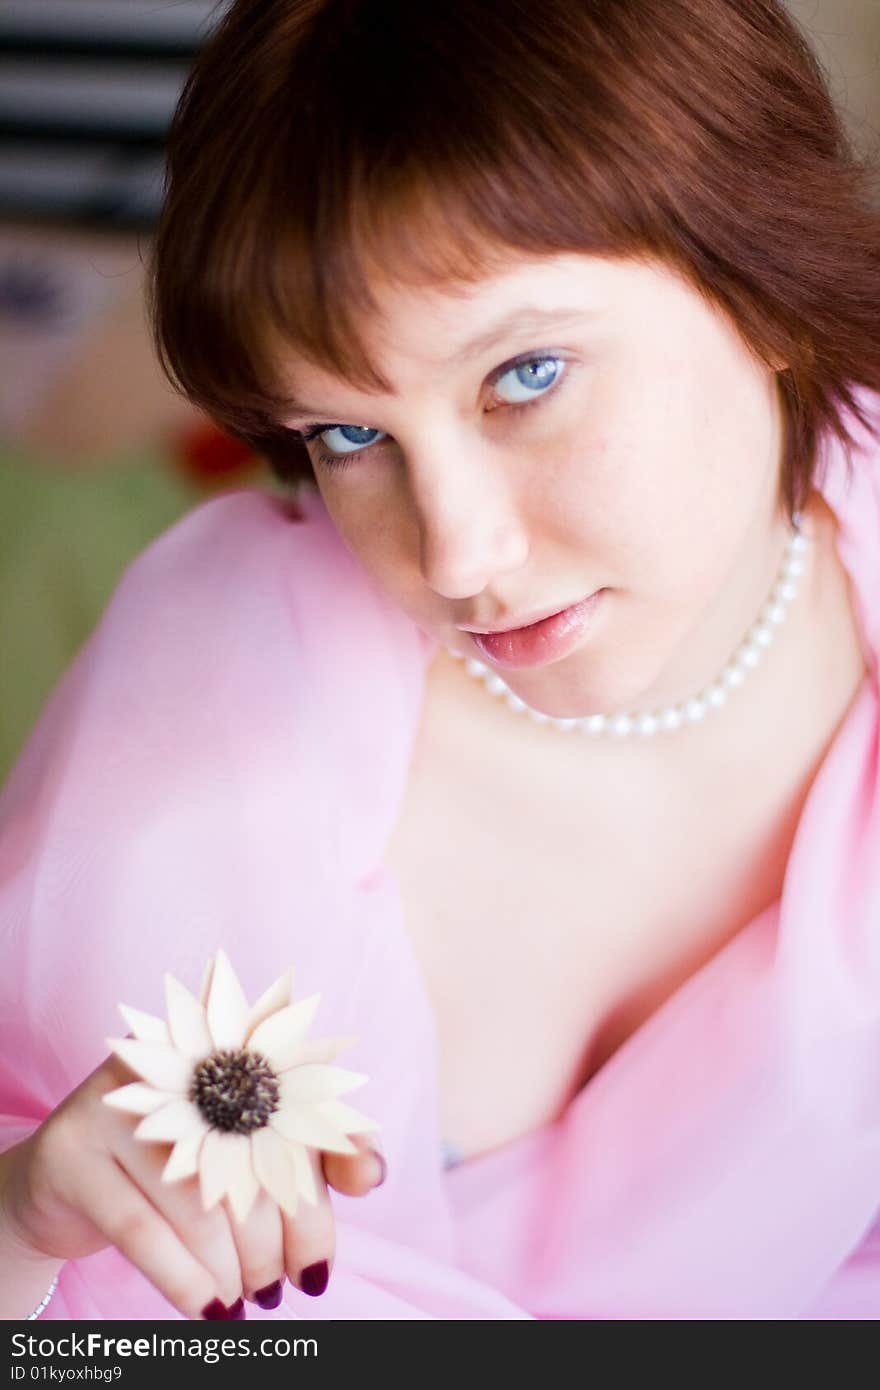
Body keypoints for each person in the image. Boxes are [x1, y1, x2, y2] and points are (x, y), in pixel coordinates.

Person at [1, 0, 879, 1321]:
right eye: (351, 437)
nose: (458, 555)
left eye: (526, 374)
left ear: (767, 290)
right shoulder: (201, 712)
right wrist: (20, 1216)